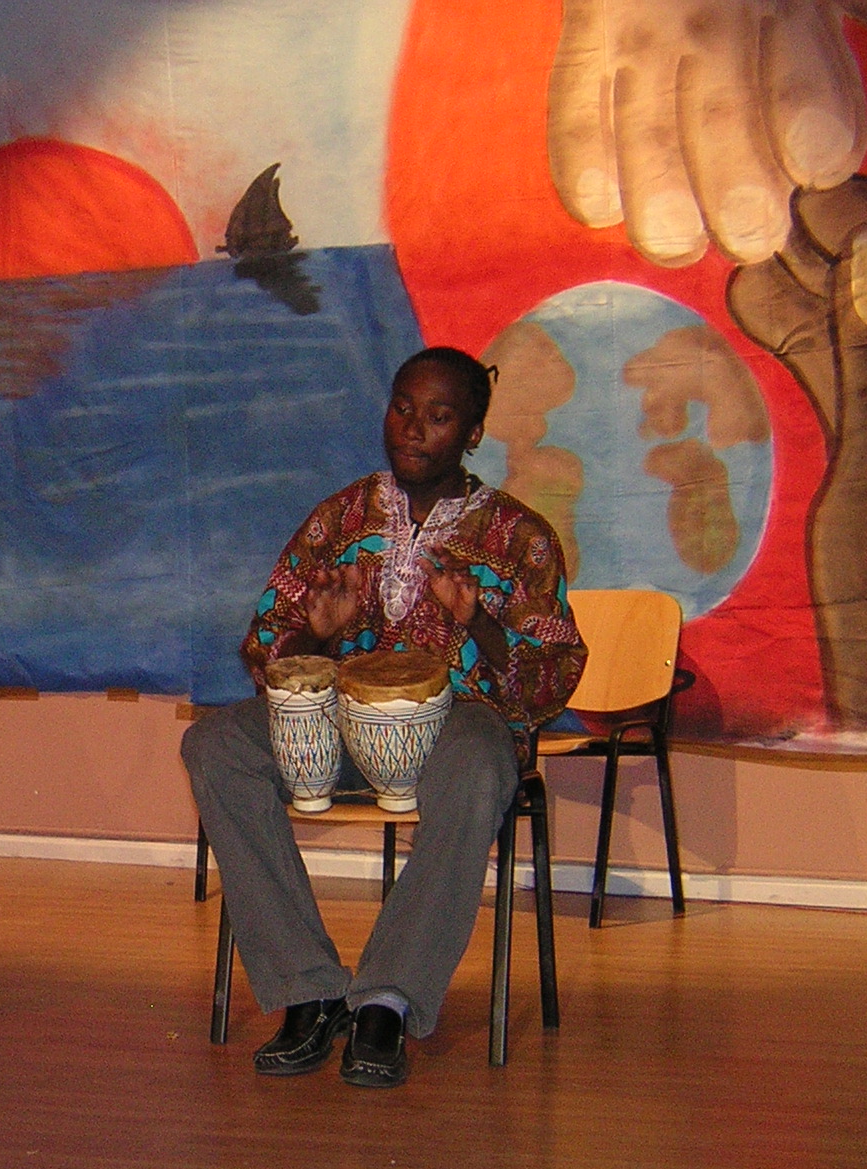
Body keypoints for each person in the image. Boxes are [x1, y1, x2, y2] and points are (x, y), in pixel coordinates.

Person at [181, 346, 585, 1088]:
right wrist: (318, 636)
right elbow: (268, 650)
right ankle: (308, 989)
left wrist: (476, 622)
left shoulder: (519, 538)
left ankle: (386, 1001)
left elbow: (549, 682)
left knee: (479, 764)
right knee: (215, 746)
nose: (413, 428)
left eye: (439, 416)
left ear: (472, 433)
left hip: (459, 725)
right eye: (403, 408)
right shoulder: (338, 520)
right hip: (339, 726)